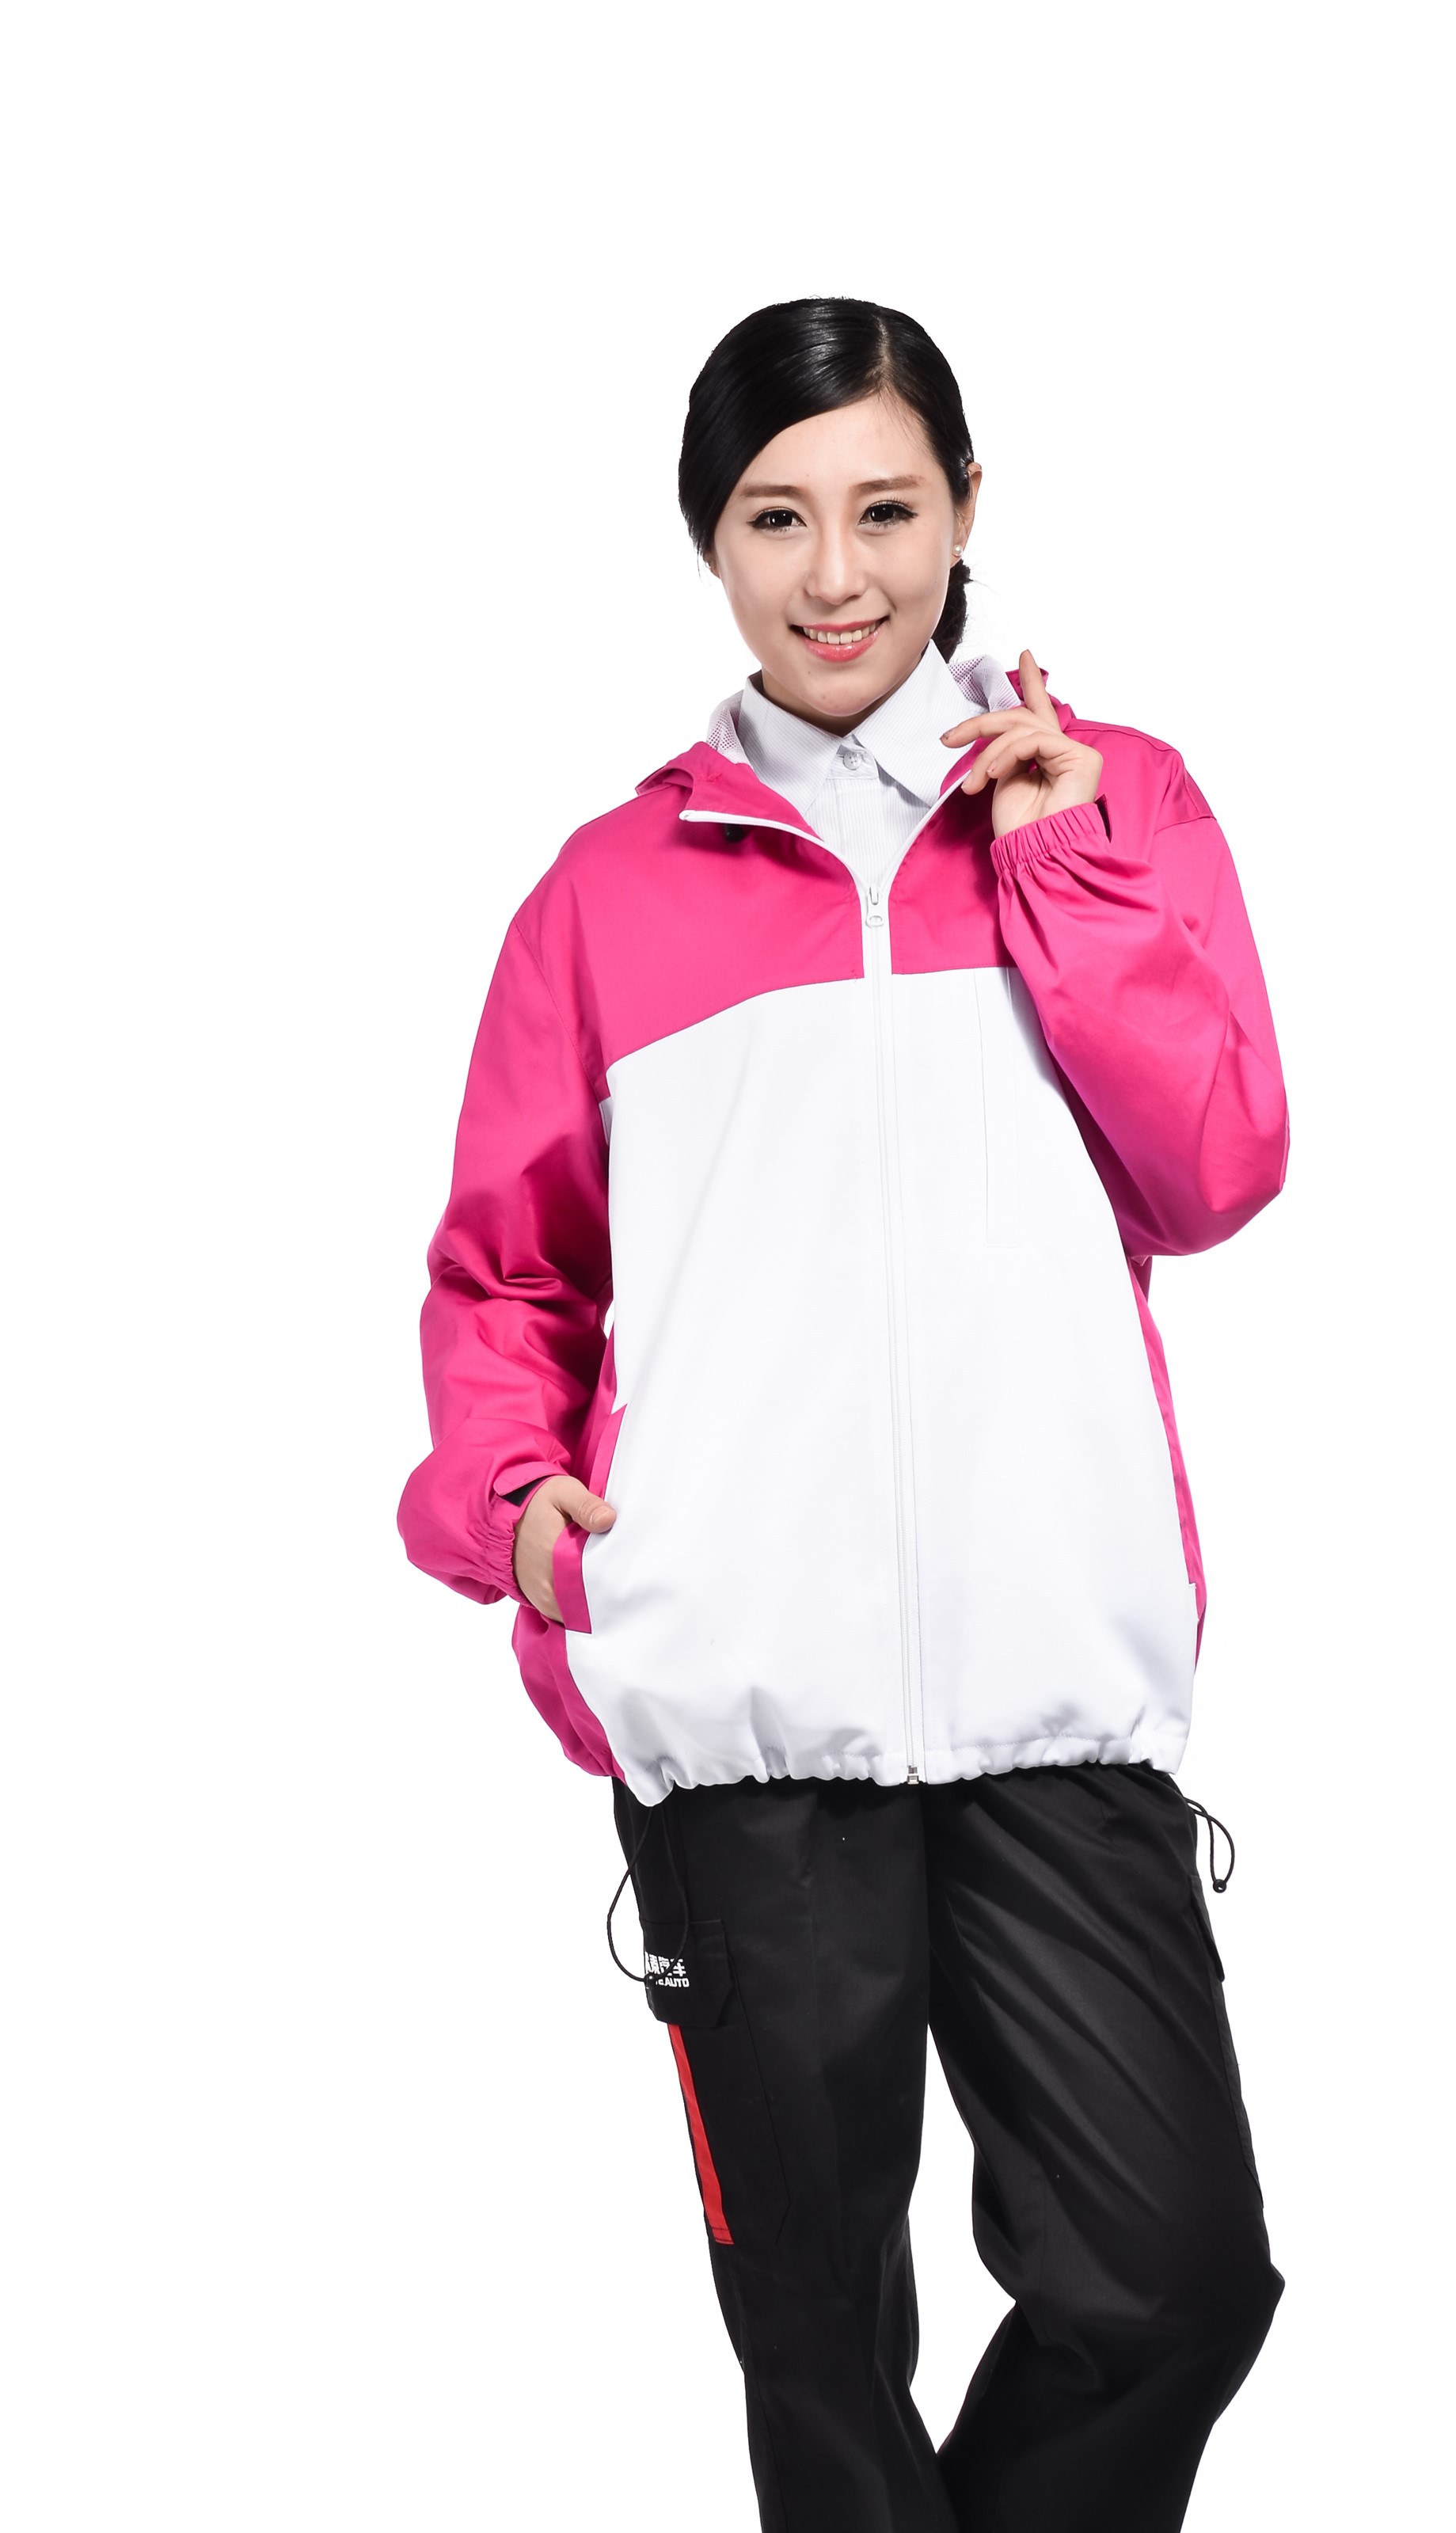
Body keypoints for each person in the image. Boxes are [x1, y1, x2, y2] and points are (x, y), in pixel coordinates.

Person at [397, 296, 1289, 2532]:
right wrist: (518, 1508)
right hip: (744, 1721)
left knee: (1176, 2282)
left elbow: (1214, 1167)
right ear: (710, 541)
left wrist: (1070, 869)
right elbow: (508, 1275)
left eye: (886, 510)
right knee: (821, 2363)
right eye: (776, 519)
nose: (837, 575)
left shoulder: (1116, 803)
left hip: (1058, 1700)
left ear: (968, 511)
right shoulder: (605, 897)